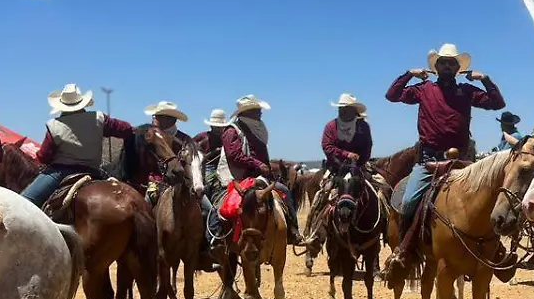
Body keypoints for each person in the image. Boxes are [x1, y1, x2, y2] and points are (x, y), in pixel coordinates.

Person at [385, 43, 505, 255]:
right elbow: (392, 95)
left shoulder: (467, 91)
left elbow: (497, 104)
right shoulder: (423, 89)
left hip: (462, 162)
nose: (448, 66)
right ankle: (404, 251)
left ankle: (493, 250)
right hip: (428, 161)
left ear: (457, 68)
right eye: (443, 63)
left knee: (487, 198)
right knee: (408, 200)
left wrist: (485, 80)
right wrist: (409, 74)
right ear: (437, 67)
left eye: (452, 63)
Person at [21, 84, 134, 207]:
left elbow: (44, 156)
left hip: (60, 173)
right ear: (82, 103)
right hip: (94, 172)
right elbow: (126, 129)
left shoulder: (55, 126)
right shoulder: (99, 118)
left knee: (25, 201)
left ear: (62, 106)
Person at [210, 95, 302, 246]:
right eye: (256, 110)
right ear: (246, 112)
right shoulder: (231, 131)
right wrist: (257, 164)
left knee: (284, 192)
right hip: (238, 178)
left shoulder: (258, 130)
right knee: (220, 204)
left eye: (259, 110)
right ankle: (216, 237)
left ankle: (293, 231)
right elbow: (234, 155)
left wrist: (265, 166)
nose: (260, 113)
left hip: (260, 177)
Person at [303, 93, 374, 250]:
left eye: (345, 109)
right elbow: (327, 147)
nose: (342, 112)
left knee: (379, 190)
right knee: (321, 196)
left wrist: (358, 163)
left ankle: (382, 229)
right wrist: (346, 155)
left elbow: (367, 147)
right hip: (335, 168)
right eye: (340, 109)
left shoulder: (363, 127)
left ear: (354, 111)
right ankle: (314, 234)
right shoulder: (331, 126)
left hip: (359, 167)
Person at [141, 101, 193, 204]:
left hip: (181, 183)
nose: (154, 117)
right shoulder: (149, 137)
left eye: (158, 116)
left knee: (205, 207)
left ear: (171, 120)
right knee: (143, 207)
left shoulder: (185, 139)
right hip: (154, 182)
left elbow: (188, 164)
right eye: (155, 115)